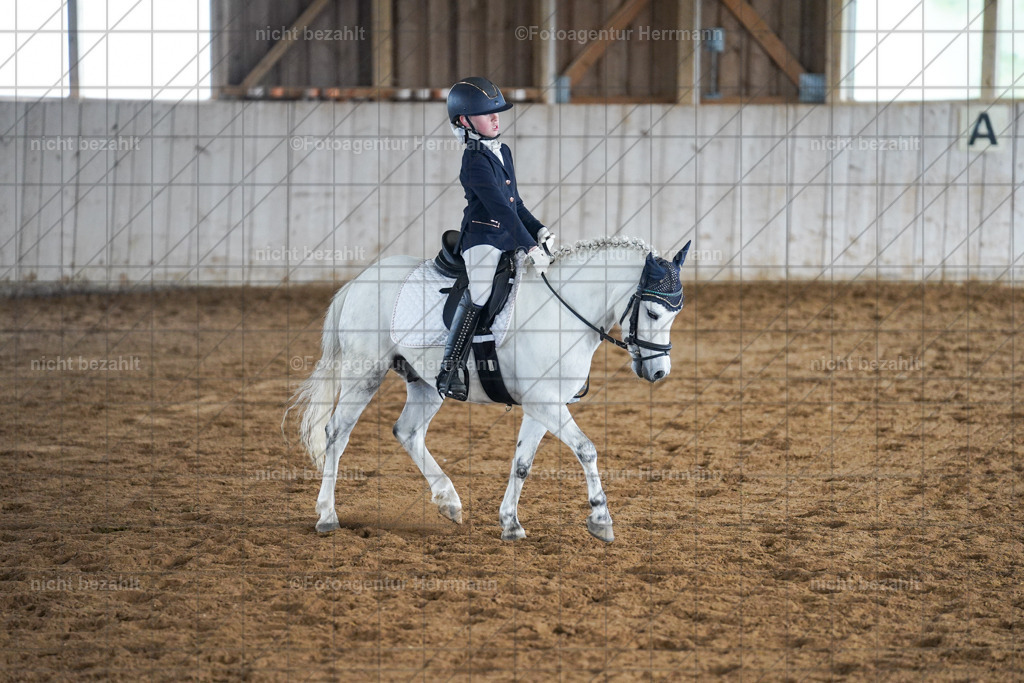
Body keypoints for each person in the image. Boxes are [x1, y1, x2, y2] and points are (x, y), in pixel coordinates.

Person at [435, 76, 556, 401]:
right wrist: (529, 246)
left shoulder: (503, 151)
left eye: (496, 112)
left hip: (508, 235)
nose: (495, 118)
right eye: (485, 114)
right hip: (482, 238)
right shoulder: (474, 160)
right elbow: (499, 209)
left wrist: (539, 230)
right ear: (464, 121)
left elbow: (515, 203)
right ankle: (450, 368)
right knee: (481, 291)